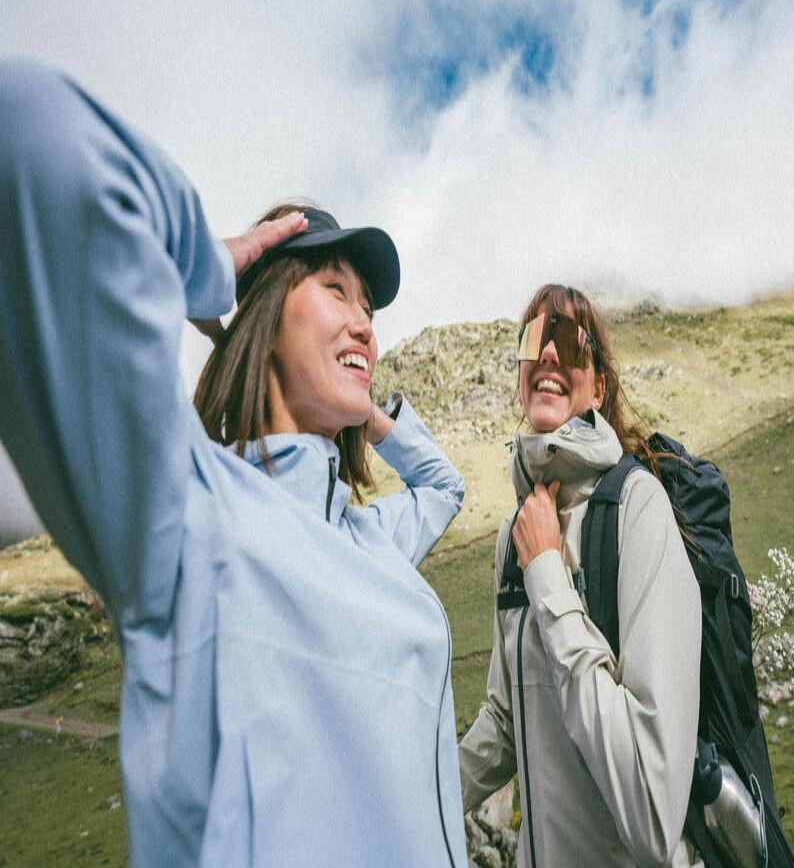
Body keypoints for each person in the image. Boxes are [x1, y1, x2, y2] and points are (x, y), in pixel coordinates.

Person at [0, 61, 467, 867]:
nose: (363, 322)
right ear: (262, 321)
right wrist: (213, 266)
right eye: (333, 289)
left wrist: (370, 411)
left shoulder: (370, 540)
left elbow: (446, 487)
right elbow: (31, 134)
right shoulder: (186, 510)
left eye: (369, 306)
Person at [459, 284, 703, 867]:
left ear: (597, 386)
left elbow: (650, 809)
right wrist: (414, 796)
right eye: (534, 340)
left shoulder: (637, 510)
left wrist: (548, 574)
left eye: (570, 343)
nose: (548, 355)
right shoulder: (514, 532)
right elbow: (505, 718)